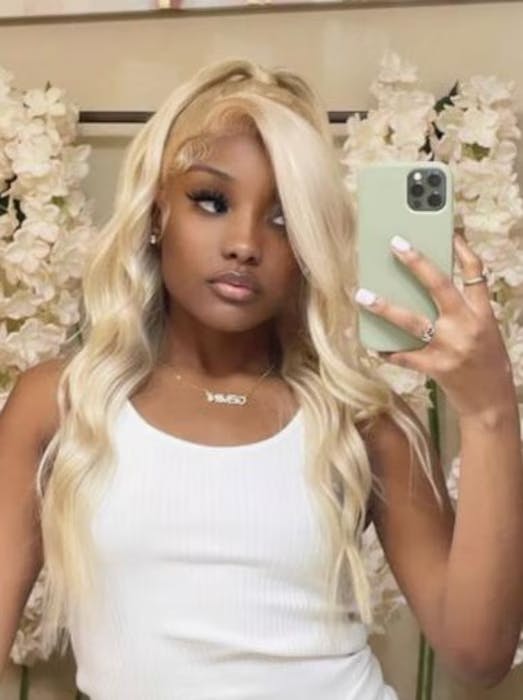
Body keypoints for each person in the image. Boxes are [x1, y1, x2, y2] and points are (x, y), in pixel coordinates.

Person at [0, 58, 521, 700]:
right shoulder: (58, 405)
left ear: (310, 244)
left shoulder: (364, 421)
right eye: (211, 201)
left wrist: (490, 411)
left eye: (283, 217)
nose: (245, 243)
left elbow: (479, 656)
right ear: (157, 212)